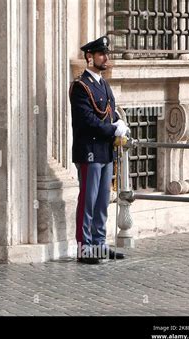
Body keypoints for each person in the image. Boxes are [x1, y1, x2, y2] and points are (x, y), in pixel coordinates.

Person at [69, 36, 129, 264]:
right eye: (101, 54)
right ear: (89, 57)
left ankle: (100, 245)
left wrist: (119, 123)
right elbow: (87, 121)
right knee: (88, 200)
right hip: (89, 151)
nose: (106, 58)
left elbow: (109, 111)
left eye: (106, 54)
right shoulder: (80, 86)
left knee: (103, 200)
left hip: (104, 150)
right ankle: (85, 248)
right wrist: (112, 129)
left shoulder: (103, 84)